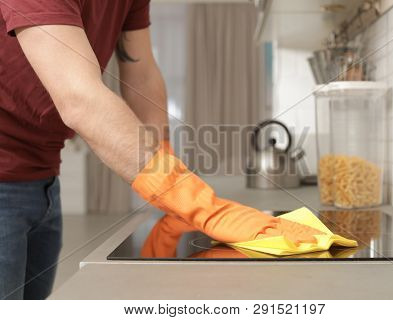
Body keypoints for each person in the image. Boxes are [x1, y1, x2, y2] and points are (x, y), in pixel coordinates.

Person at [0, 0, 322, 300]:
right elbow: (79, 98)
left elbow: (141, 74)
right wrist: (196, 203)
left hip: (43, 175)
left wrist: (167, 175)